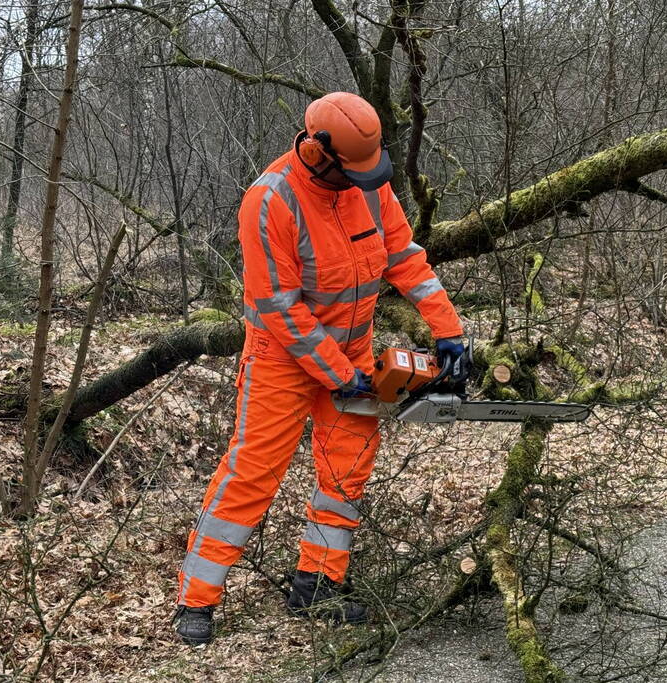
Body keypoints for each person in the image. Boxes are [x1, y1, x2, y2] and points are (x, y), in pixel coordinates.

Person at [173, 92, 465, 645]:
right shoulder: (270, 201)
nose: (362, 181)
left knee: (345, 473)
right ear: (317, 151)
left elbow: (405, 259)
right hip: (281, 361)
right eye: (351, 172)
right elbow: (279, 304)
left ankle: (318, 583)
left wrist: (448, 330)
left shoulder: (371, 188)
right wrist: (336, 372)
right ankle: (197, 597)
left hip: (353, 354)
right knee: (253, 473)